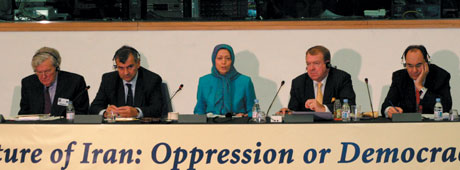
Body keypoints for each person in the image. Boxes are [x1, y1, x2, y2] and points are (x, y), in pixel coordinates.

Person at [89, 45, 163, 118]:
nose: (126, 72)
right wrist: (105, 113)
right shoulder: (109, 80)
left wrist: (137, 112)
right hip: (116, 128)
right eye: (121, 68)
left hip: (143, 127)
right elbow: (94, 108)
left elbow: (158, 109)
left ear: (138, 63)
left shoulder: (152, 79)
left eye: (130, 67)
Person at [279, 45, 355, 114]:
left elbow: (349, 106)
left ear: (328, 64)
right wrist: (287, 112)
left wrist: (323, 108)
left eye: (316, 63)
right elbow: (294, 111)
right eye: (308, 64)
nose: (311, 68)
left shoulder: (341, 78)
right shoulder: (298, 82)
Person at [381, 45, 452, 118]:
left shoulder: (440, 76)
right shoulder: (399, 77)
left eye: (418, 65)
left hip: (433, 126)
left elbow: (446, 107)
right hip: (407, 126)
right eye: (410, 66)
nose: (414, 70)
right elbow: (386, 106)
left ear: (426, 63)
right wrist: (389, 110)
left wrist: (420, 87)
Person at [19, 47, 89, 116]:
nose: (43, 76)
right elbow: (24, 114)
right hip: (36, 127)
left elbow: (81, 114)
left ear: (57, 68)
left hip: (64, 126)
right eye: (39, 72)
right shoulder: (28, 83)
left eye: (47, 71)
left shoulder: (75, 82)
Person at [194, 44, 256, 117]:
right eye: (219, 58)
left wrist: (244, 116)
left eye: (228, 58)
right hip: (211, 125)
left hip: (238, 125)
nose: (223, 62)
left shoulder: (245, 81)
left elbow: (253, 111)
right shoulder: (204, 81)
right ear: (214, 60)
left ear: (232, 60)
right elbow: (199, 110)